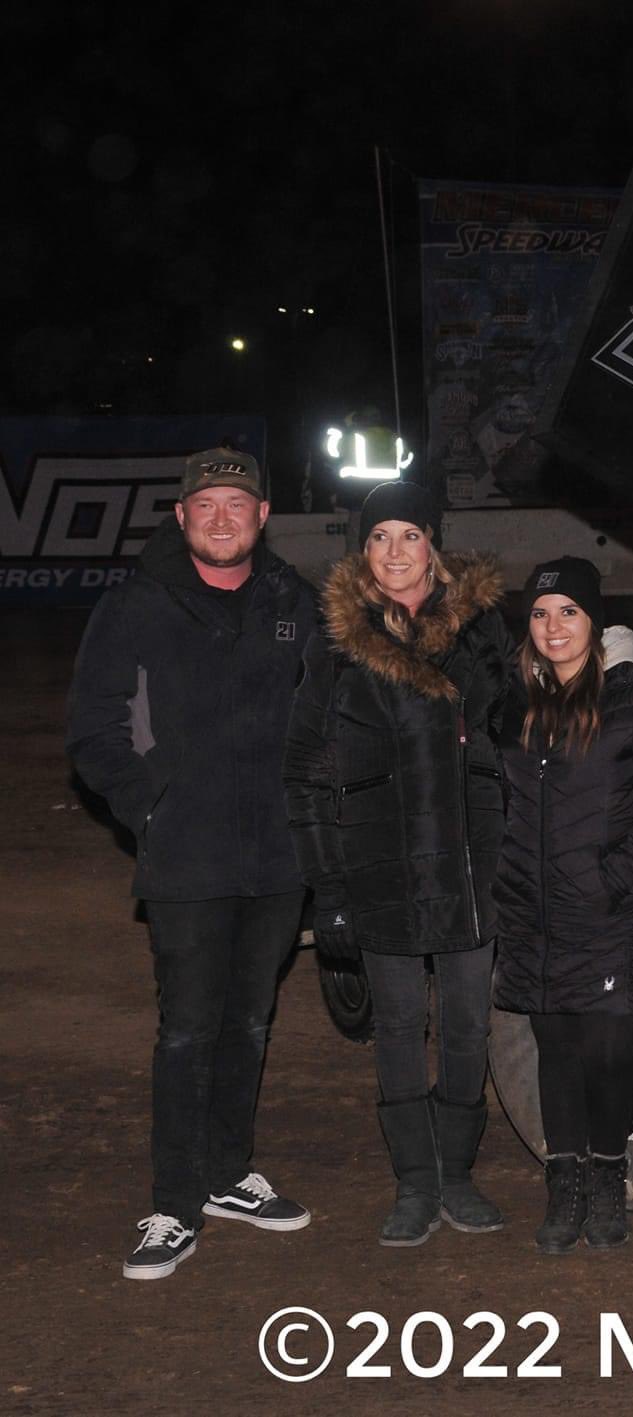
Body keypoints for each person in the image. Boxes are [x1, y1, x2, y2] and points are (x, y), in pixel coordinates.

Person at [67, 447, 319, 1280]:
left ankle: (225, 1174)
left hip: (278, 862)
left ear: (262, 516)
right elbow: (95, 730)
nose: (221, 518)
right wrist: (152, 806)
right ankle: (174, 1203)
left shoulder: (294, 602)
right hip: (186, 858)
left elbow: (328, 714)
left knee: (251, 1022)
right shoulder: (136, 607)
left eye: (235, 505)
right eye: (205, 505)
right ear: (181, 517)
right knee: (187, 1030)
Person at [282, 480, 513, 1246]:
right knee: (398, 1028)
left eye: (409, 535)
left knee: (467, 1029)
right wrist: (330, 892)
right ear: (363, 549)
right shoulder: (339, 641)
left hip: (468, 869)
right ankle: (414, 1184)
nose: (394, 552)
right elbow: (308, 769)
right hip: (377, 867)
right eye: (378, 537)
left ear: (434, 546)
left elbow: (517, 737)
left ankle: (458, 1174)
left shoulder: (482, 630)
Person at [492, 557, 633, 1253]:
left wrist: (607, 879)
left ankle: (607, 1180)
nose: (553, 626)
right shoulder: (515, 702)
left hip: (607, 913)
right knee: (555, 1052)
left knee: (609, 1052)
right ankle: (564, 1186)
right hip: (534, 913)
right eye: (539, 613)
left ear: (594, 621)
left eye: (567, 611)